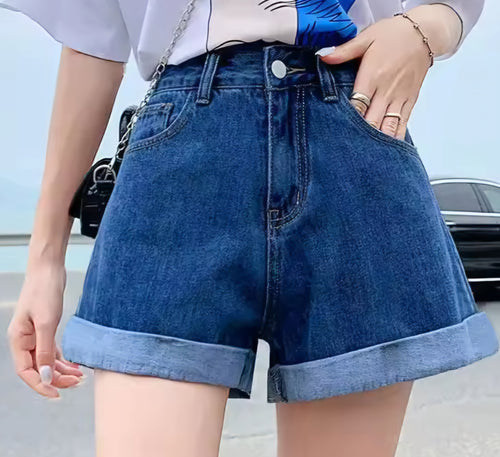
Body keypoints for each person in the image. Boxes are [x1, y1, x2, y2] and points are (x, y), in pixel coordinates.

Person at [3, 1, 498, 456]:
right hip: (182, 165)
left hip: (353, 133)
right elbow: (93, 39)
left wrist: (421, 32)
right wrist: (45, 259)